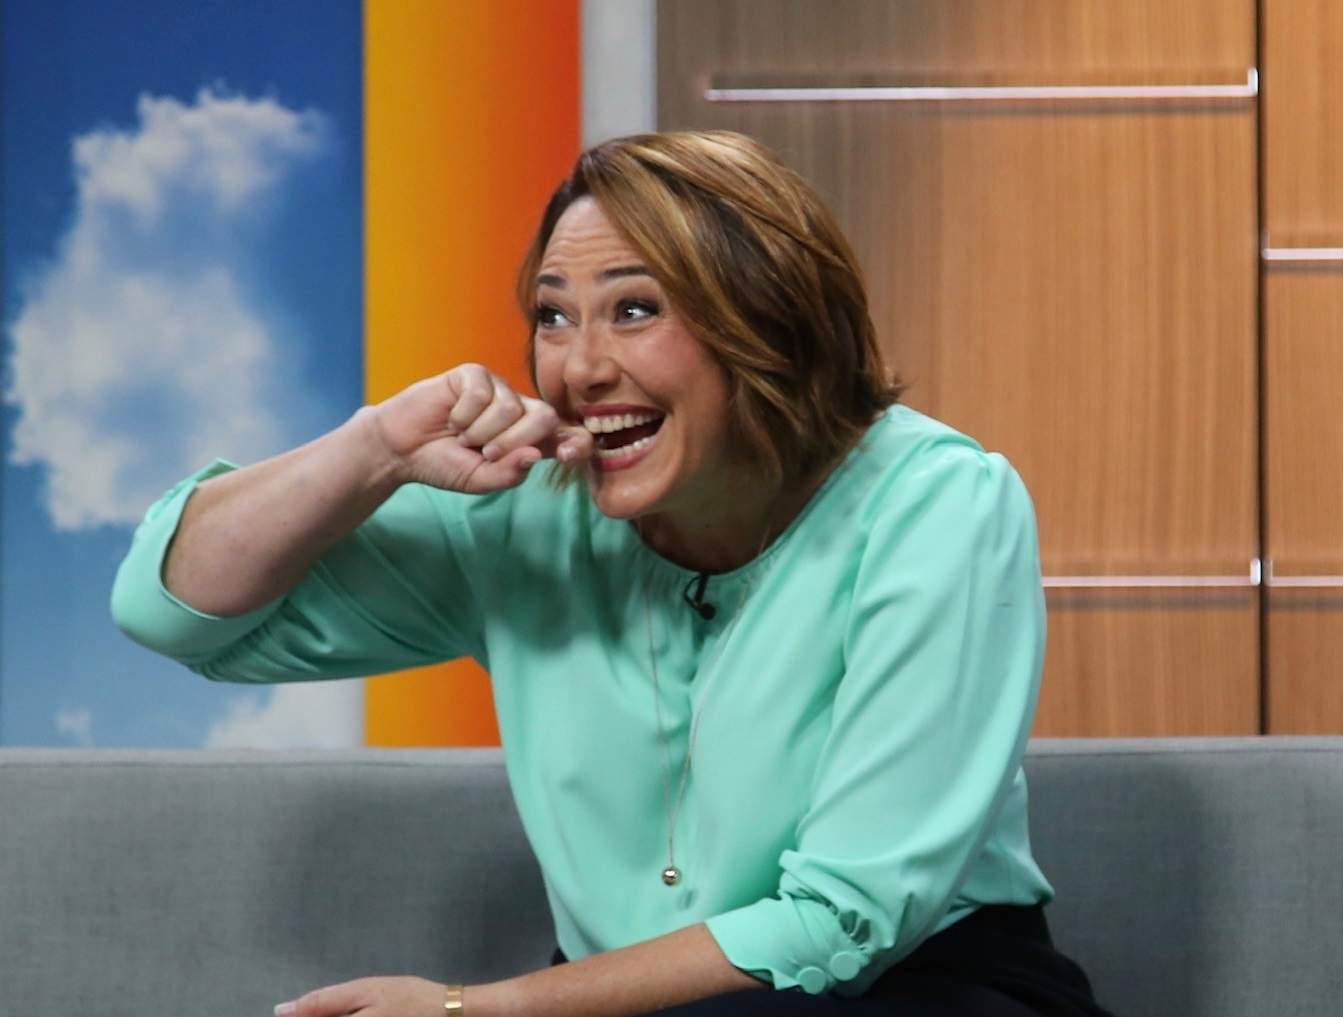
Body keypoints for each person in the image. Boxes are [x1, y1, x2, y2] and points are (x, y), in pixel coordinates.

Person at [112, 130, 1112, 1017]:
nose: (578, 368)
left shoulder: (933, 502)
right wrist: (373, 448)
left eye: (633, 310)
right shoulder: (524, 517)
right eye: (553, 317)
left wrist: (473, 1008)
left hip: (922, 989)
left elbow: (840, 920)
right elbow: (175, 611)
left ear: (765, 320)